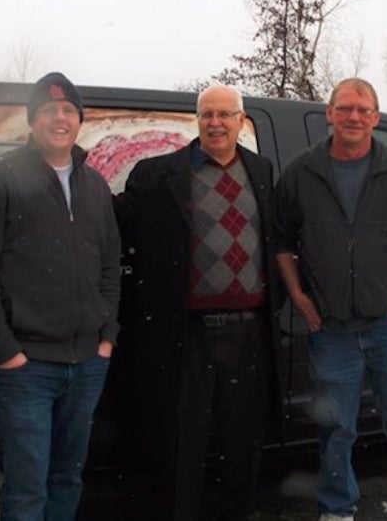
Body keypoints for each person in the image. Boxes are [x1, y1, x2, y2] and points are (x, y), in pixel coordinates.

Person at [273, 77, 387, 521]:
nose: (353, 116)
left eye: (363, 109)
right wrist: (298, 294)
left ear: (375, 117)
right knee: (335, 429)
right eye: (345, 108)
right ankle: (337, 508)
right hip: (331, 330)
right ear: (329, 114)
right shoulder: (302, 172)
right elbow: (278, 239)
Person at [0, 72, 121, 521]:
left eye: (69, 110)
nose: (60, 118)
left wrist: (106, 336)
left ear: (79, 121)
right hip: (26, 367)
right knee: (27, 491)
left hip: (87, 363)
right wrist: (4, 348)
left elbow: (110, 264)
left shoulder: (96, 186)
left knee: (67, 480)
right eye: (49, 111)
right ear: (32, 121)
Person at [114, 84, 280, 521]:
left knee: (241, 446)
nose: (216, 123)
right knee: (181, 447)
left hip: (249, 332)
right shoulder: (158, 176)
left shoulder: (262, 171)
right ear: (196, 120)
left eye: (225, 114)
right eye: (207, 114)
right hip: (185, 336)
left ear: (242, 121)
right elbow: (110, 222)